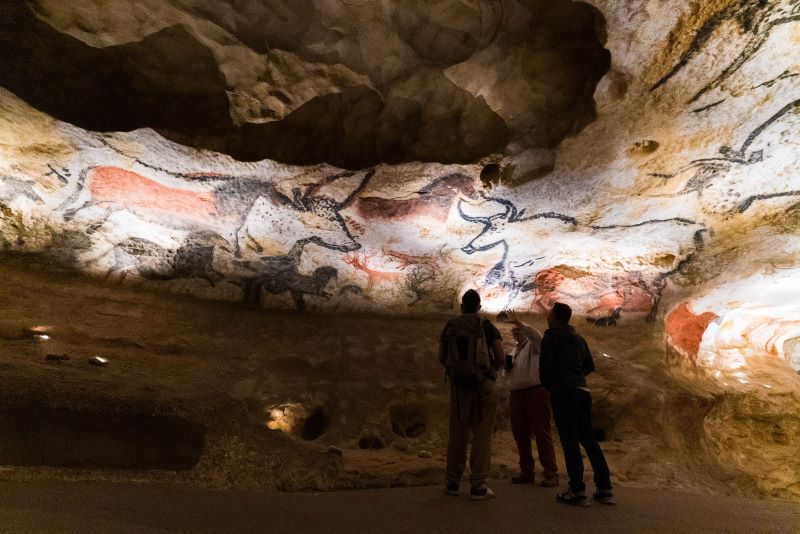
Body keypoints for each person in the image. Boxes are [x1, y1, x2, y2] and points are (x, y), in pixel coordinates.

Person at [539, 302, 615, 506]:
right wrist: (576, 377)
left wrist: (553, 386)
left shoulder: (550, 337)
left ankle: (577, 489)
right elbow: (589, 365)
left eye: (550, 313)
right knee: (589, 440)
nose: (548, 316)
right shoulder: (579, 339)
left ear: (555, 317)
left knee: (570, 441)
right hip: (582, 391)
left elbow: (544, 368)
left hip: (564, 392)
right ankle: (605, 487)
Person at [439, 289, 505, 500]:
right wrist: (489, 372)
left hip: (459, 388)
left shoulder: (450, 326)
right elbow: (501, 356)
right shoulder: (486, 326)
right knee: (482, 435)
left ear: (462, 306)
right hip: (483, 386)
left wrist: (458, 372)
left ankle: (452, 482)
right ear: (479, 307)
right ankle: (478, 485)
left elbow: (442, 357)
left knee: (457, 435)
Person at [501, 310, 559, 487]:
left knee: (541, 432)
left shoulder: (534, 346)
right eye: (514, 331)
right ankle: (527, 471)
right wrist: (506, 368)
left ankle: (550, 473)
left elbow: (536, 335)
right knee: (520, 434)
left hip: (535, 392)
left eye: (519, 330)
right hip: (517, 394)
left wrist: (519, 323)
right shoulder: (514, 350)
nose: (516, 332)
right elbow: (506, 374)